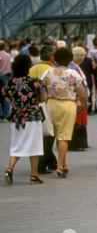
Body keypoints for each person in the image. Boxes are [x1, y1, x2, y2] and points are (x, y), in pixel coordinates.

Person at [41, 48, 88, 178]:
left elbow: (40, 87)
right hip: (68, 105)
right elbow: (82, 94)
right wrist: (83, 105)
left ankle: (64, 162)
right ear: (69, 59)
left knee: (57, 135)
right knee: (64, 136)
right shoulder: (73, 74)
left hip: (51, 104)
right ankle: (60, 166)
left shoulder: (48, 72)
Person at [2, 54, 47, 184]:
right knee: (35, 145)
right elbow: (43, 99)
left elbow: (9, 100)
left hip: (16, 118)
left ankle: (10, 169)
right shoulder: (36, 81)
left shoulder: (9, 83)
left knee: (17, 144)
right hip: (33, 116)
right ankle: (34, 175)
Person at [29, 45, 58, 174]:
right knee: (49, 135)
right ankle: (44, 163)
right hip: (47, 104)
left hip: (32, 105)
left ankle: (52, 162)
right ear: (52, 57)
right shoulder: (52, 70)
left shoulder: (32, 69)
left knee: (39, 135)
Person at [0, 40, 12, 122]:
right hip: (5, 76)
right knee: (5, 95)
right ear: (5, 46)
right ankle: (6, 115)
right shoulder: (8, 55)